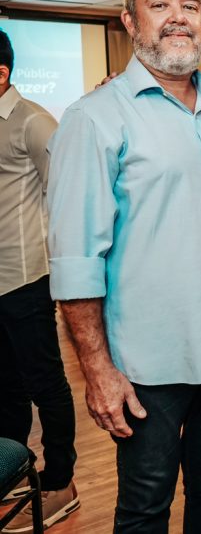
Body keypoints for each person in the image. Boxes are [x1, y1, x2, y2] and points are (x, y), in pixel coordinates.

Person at [46, 0, 201, 533]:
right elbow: (76, 259)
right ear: (129, 21)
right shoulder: (94, 118)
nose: (178, 18)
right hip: (148, 358)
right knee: (147, 504)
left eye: (190, 6)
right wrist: (97, 370)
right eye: (160, 5)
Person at [0, 29, 78, 533]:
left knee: (45, 383)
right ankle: (12, 474)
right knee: (4, 387)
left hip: (25, 279)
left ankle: (60, 483)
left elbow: (67, 196)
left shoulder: (33, 121)